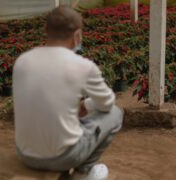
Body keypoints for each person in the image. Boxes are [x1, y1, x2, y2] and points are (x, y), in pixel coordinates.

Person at [13, 6, 123, 180]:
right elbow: (107, 103)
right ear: (77, 36)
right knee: (115, 114)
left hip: (26, 154)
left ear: (45, 30)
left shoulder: (21, 61)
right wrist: (85, 104)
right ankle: (82, 173)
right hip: (64, 157)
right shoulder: (83, 66)